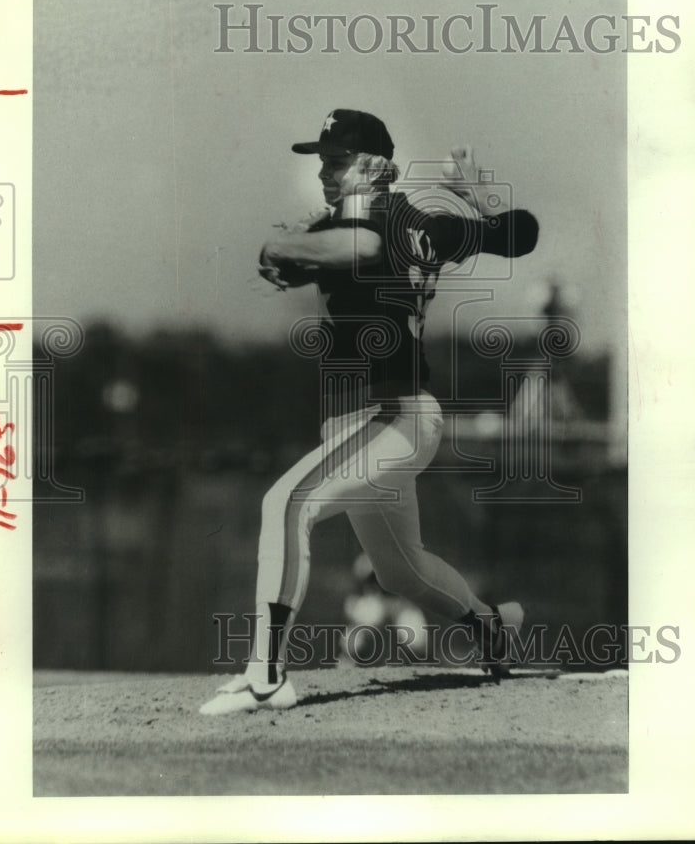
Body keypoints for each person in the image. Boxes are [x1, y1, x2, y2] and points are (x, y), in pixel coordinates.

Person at [200, 108, 539, 716]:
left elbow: (359, 244)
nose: (325, 172)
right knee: (400, 571)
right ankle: (493, 627)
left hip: (390, 417)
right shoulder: (425, 223)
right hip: (382, 423)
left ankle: (265, 675)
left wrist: (279, 244)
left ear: (377, 166)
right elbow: (518, 234)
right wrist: (481, 200)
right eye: (322, 161)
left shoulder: (374, 216)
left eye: (337, 160)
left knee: (285, 504)